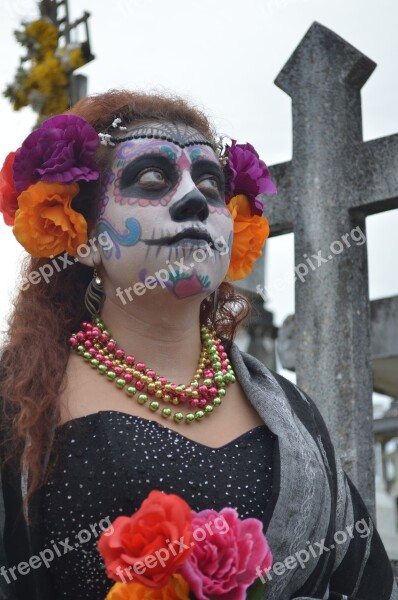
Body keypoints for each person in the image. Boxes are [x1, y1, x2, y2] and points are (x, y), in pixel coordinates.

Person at [0, 90, 396, 600]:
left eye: (210, 186)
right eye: (151, 180)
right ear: (83, 234)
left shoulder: (291, 412)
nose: (193, 200)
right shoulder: (20, 400)